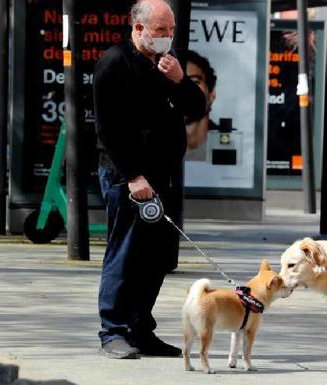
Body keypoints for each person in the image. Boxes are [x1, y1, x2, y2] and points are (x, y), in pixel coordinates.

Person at [93, 0, 206, 359]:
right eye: (160, 31)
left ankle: (141, 328)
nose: (167, 38)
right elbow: (108, 128)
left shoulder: (168, 64)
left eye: (170, 30)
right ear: (138, 28)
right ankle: (113, 330)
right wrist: (132, 175)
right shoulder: (114, 63)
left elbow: (197, 108)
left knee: (156, 257)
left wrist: (180, 81)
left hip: (163, 174)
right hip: (130, 176)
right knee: (125, 254)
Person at [177, 49, 219, 160]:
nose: (184, 91)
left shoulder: (227, 143)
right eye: (173, 82)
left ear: (211, 94)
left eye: (194, 82)